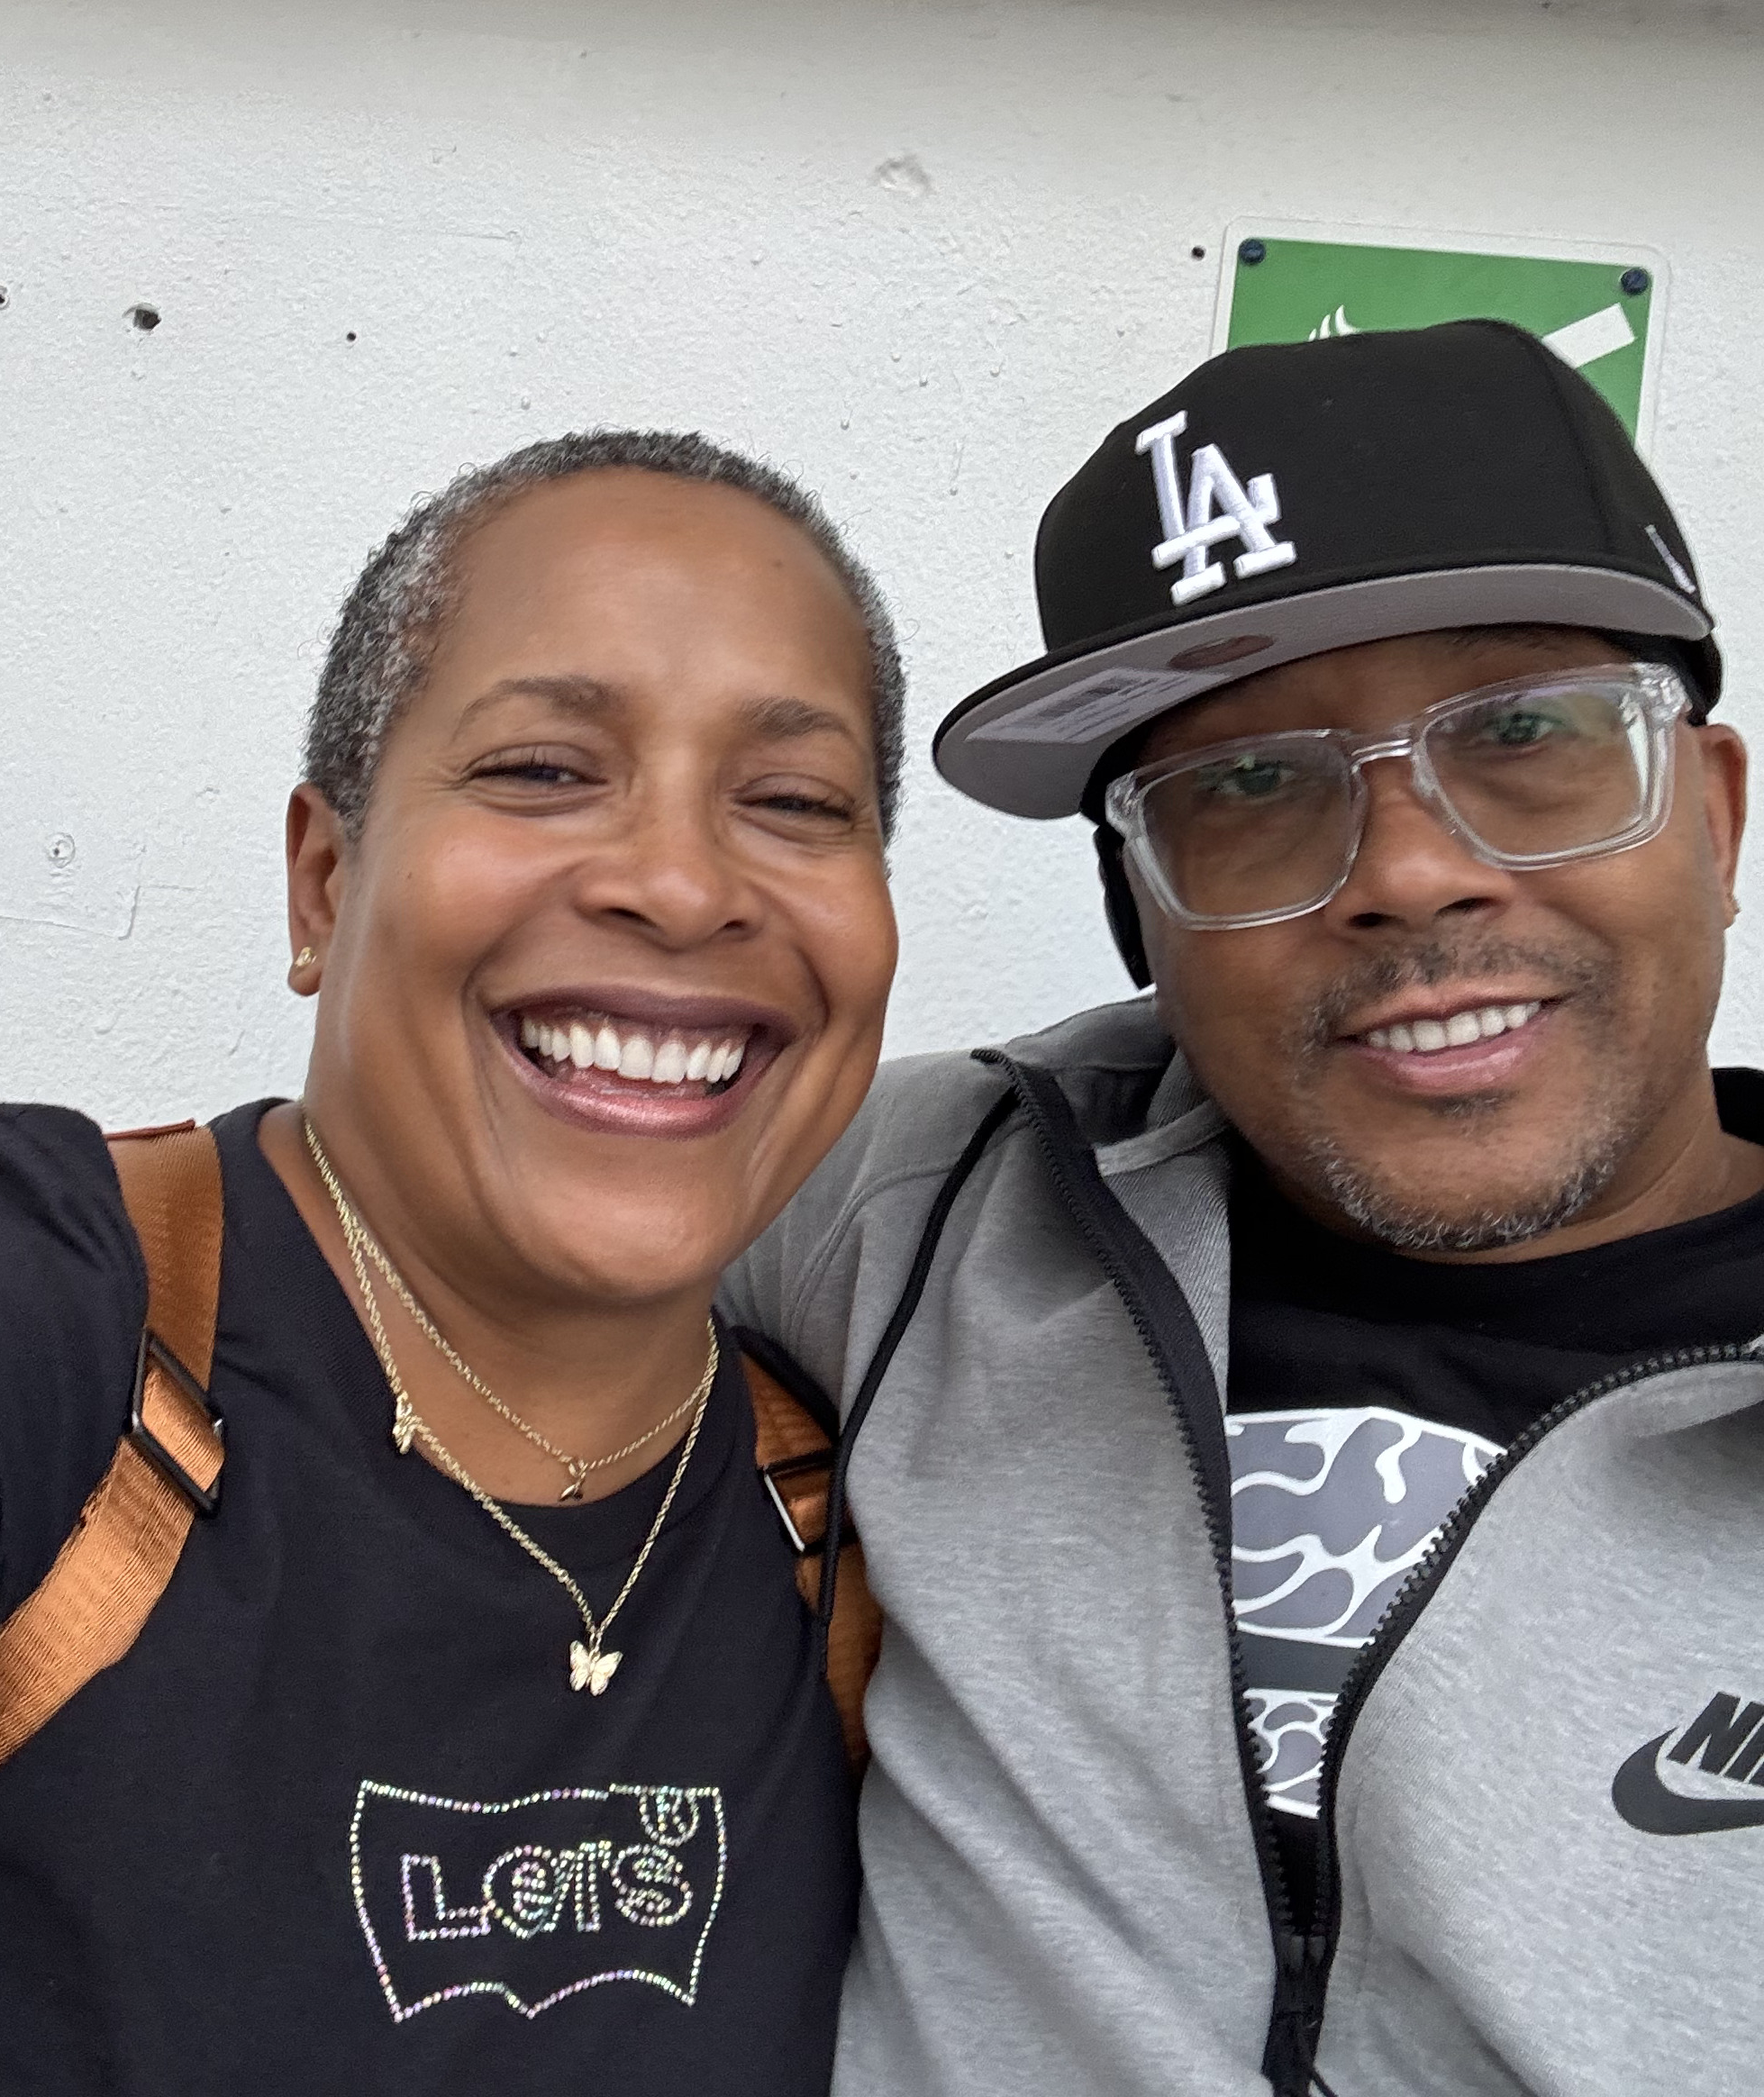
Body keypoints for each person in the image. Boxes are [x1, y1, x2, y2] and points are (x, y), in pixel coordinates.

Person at [0, 428, 904, 2097]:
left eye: (796, 803)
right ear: (324, 881)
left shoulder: (848, 1535)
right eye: (545, 769)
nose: (683, 886)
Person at [729, 319, 1764, 2097]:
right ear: (1142, 914)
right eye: (1249, 785)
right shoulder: (926, 1206)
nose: (1412, 871)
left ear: (1718, 816)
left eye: (1527, 731)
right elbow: (418, 1231)